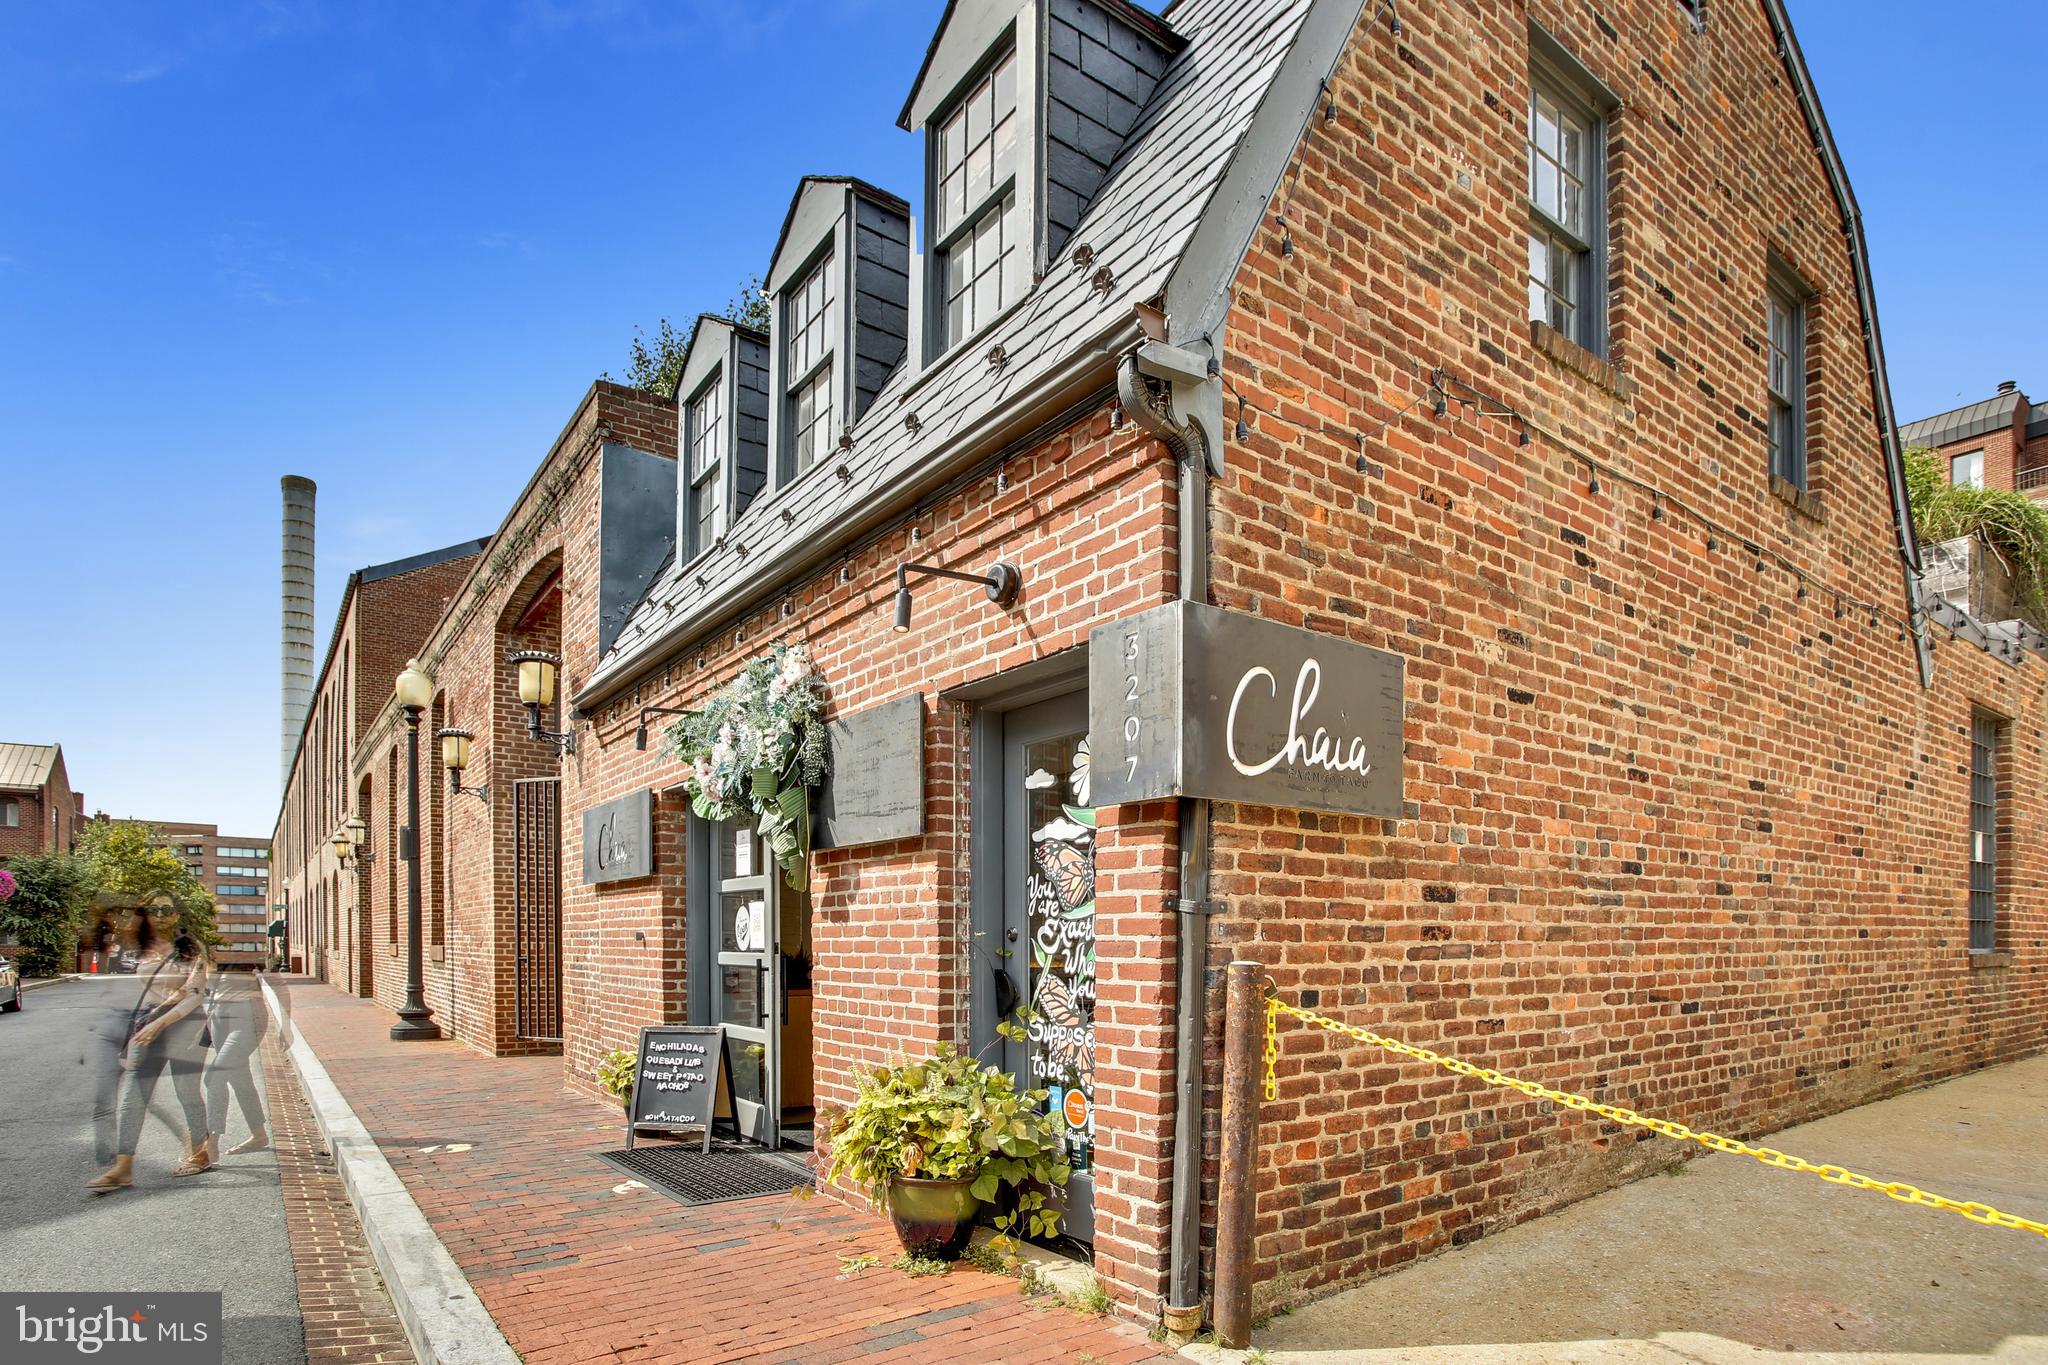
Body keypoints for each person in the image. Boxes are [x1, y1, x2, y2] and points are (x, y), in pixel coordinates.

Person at [87, 906, 214, 1192]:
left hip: (187, 1025)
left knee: (187, 1092)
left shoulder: (192, 948)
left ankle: (201, 1152)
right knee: (133, 1094)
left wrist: (159, 1022)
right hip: (150, 1024)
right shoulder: (142, 951)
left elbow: (192, 995)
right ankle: (123, 1168)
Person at [198, 966, 277, 1160]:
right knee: (239, 1078)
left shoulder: (242, 953)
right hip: (218, 1017)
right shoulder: (207, 953)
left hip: (246, 1016)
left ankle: (211, 1145)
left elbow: (270, 975)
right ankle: (259, 1135)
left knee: (215, 1077)